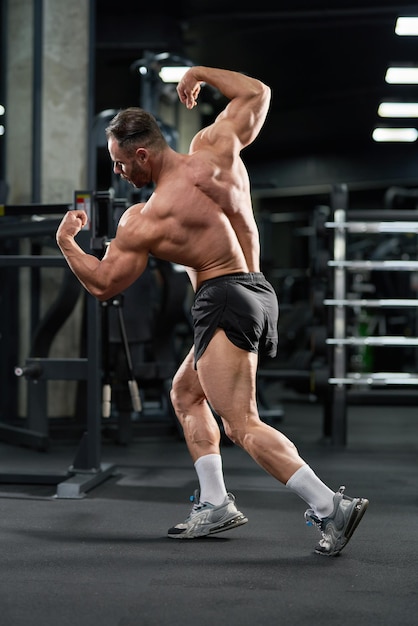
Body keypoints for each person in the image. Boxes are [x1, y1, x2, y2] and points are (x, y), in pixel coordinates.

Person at [56, 66, 368, 556]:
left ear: (142, 154)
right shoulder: (217, 144)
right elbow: (258, 90)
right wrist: (198, 72)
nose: (119, 173)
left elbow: (103, 283)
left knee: (242, 423)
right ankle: (216, 500)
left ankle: (331, 506)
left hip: (221, 297)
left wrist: (67, 244)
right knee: (185, 392)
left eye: (120, 164)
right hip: (257, 290)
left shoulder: (146, 217)